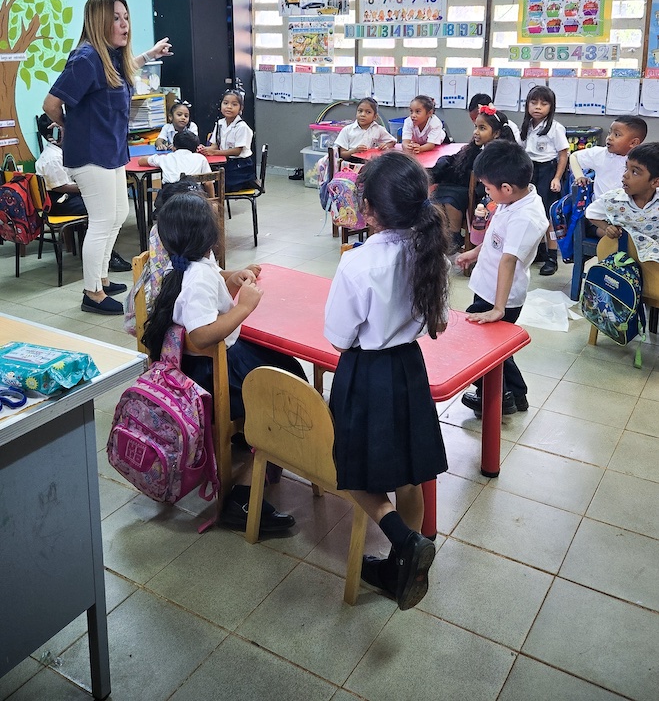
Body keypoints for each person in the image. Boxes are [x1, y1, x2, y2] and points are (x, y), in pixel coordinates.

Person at [324, 151, 449, 611]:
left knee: (350, 468)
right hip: (408, 369)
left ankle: (402, 541)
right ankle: (405, 562)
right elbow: (438, 316)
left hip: (369, 372)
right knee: (409, 472)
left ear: (370, 211)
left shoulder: (358, 263)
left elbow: (338, 338)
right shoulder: (429, 248)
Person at [141, 191, 309, 530]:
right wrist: (245, 306)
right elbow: (202, 334)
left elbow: (209, 283)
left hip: (207, 365)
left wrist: (231, 278)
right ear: (209, 236)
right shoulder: (198, 276)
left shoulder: (189, 264)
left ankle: (256, 449)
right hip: (212, 374)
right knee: (285, 384)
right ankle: (242, 496)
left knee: (285, 365)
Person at [43, 0, 173, 315]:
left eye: (125, 17)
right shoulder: (85, 59)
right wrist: (71, 130)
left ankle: (101, 278)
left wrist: (149, 54)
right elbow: (50, 105)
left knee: (117, 215)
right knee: (102, 221)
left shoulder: (111, 56)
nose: (124, 23)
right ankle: (92, 293)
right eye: (116, 18)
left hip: (111, 150)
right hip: (90, 154)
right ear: (99, 21)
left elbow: (126, 67)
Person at [456, 140, 549, 417]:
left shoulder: (526, 217)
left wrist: (498, 309)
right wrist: (475, 252)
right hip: (488, 287)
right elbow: (499, 241)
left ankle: (496, 399)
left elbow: (508, 260)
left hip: (501, 297)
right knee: (497, 349)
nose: (486, 191)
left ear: (506, 188)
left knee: (482, 348)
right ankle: (516, 394)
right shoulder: (513, 200)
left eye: (487, 186)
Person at [35, 113, 131, 271]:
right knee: (101, 210)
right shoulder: (52, 158)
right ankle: (105, 258)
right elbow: (60, 186)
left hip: (66, 197)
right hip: (59, 202)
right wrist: (89, 186)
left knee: (106, 207)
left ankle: (103, 256)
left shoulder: (64, 151)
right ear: (51, 135)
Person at [430, 104, 515, 253]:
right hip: (467, 188)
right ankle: (444, 234)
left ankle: (455, 236)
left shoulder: (500, 154)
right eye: (475, 127)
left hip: (483, 195)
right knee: (439, 194)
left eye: (482, 128)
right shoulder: (474, 148)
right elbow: (458, 161)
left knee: (452, 199)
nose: (476, 132)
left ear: (496, 134)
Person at [520, 85, 569, 276]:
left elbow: (563, 155)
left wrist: (557, 178)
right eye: (533, 102)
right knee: (533, 212)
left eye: (543, 103)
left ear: (551, 106)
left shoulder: (555, 128)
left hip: (548, 170)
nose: (538, 107)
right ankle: (539, 252)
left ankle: (551, 256)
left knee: (549, 216)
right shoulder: (527, 126)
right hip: (529, 170)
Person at [585, 143, 659, 263]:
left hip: (653, 261)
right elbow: (591, 213)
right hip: (623, 260)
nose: (625, 175)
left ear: (655, 182)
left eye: (634, 172)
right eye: (626, 168)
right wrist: (606, 227)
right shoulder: (614, 199)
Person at [570, 116, 647, 202]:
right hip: (599, 209)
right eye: (609, 133)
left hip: (627, 209)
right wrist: (579, 176)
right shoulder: (600, 154)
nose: (610, 137)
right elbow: (574, 156)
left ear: (633, 143)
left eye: (617, 135)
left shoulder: (642, 161)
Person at [198, 89, 255, 190]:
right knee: (204, 181)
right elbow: (215, 144)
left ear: (240, 108)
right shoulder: (220, 123)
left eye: (234, 104)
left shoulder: (242, 127)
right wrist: (206, 149)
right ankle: (212, 204)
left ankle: (215, 204)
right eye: (225, 103)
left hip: (240, 167)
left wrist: (214, 152)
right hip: (224, 163)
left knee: (213, 184)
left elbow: (237, 151)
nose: (229, 107)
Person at [138, 129, 211, 183]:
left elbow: (141, 161)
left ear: (174, 147)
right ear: (195, 149)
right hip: (194, 197)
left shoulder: (166, 158)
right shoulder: (201, 158)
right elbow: (208, 183)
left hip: (170, 198)